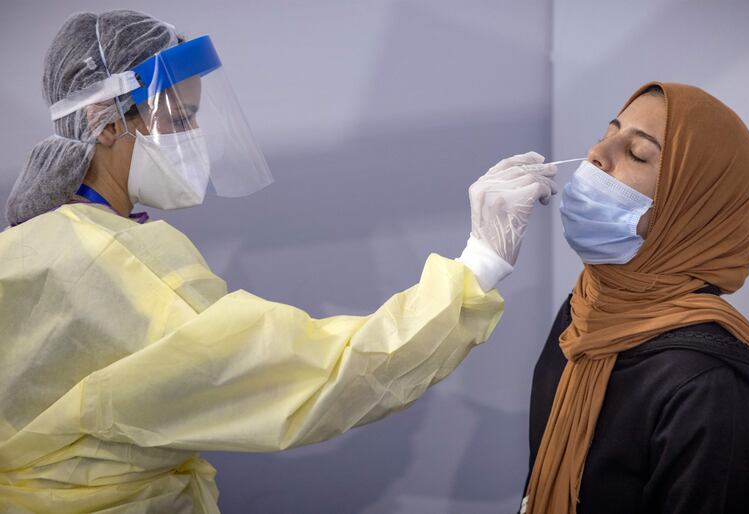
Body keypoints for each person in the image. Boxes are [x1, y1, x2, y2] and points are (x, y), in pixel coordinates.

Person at [0, 10, 558, 514]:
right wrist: (480, 263)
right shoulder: (124, 262)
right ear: (105, 123)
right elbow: (318, 378)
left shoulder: (31, 242)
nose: (195, 137)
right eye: (179, 119)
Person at [518, 82, 749, 514]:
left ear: (693, 208)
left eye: (637, 154)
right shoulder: (587, 306)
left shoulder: (709, 385)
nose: (596, 154)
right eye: (606, 134)